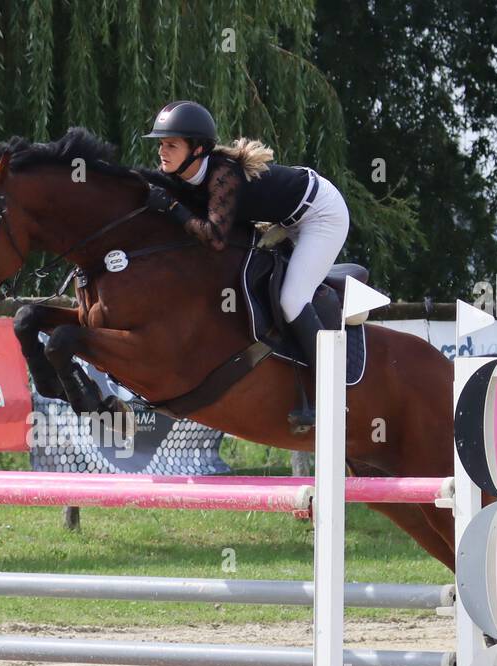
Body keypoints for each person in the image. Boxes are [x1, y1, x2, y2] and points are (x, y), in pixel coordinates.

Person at [142, 100, 349, 431]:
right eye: (161, 144)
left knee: (292, 299)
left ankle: (334, 397)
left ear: (197, 149)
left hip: (321, 214)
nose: (162, 151)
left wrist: (172, 209)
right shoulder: (189, 172)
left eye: (171, 144)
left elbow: (213, 238)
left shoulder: (223, 176)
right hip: (287, 217)